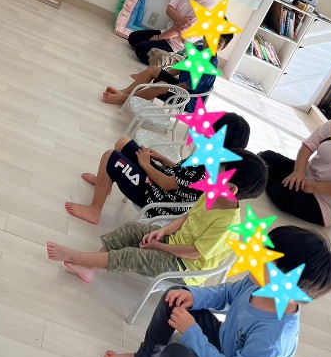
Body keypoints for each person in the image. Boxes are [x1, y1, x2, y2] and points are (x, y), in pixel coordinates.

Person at [103, 225, 331, 357]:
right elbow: (227, 294)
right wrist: (195, 296)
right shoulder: (259, 282)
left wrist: (192, 332)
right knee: (175, 296)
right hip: (223, 345)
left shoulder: (273, 338)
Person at [46, 151, 267, 283]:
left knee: (132, 256)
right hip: (174, 242)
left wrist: (160, 246)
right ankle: (90, 267)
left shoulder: (227, 224)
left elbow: (193, 253)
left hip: (184, 267)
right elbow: (187, 218)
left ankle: (79, 258)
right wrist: (162, 232)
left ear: (231, 188)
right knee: (131, 229)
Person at [65, 112, 251, 225]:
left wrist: (146, 164)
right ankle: (104, 182)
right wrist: (161, 158)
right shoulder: (211, 158)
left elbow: (167, 184)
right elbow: (180, 174)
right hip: (160, 182)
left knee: (109, 156)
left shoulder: (206, 169)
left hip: (156, 197)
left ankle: (94, 211)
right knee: (124, 142)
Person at [260, 95, 331, 226]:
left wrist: (311, 187)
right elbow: (308, 146)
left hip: (325, 205)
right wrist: (298, 172)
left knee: (281, 193)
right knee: (267, 156)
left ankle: (266, 177)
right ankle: (267, 176)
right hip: (306, 175)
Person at [103, 33, 233, 112]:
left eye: (218, 43)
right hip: (181, 86)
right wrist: (161, 74)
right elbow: (180, 67)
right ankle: (124, 92)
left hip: (188, 99)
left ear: (223, 47)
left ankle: (124, 99)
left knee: (162, 85)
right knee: (154, 69)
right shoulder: (198, 49)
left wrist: (160, 83)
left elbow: (185, 87)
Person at [127, 0, 226, 64]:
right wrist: (180, 18)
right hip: (166, 32)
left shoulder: (209, 5)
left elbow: (181, 29)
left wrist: (158, 37)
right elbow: (169, 9)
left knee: (141, 49)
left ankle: (175, 61)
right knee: (133, 38)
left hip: (178, 46)